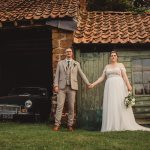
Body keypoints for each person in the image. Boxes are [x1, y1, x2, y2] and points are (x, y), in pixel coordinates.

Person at [89, 50, 150, 132]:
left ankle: (121, 124)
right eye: (112, 55)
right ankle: (112, 125)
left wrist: (128, 85)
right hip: (109, 87)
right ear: (110, 57)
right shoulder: (107, 66)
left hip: (119, 86)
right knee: (111, 104)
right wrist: (93, 84)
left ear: (117, 57)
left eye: (114, 55)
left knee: (119, 103)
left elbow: (124, 76)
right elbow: (102, 77)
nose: (113, 57)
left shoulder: (120, 65)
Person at [53, 47, 91, 131]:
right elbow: (57, 75)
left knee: (71, 107)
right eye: (67, 52)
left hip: (72, 88)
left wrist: (88, 83)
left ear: (72, 53)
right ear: (65, 53)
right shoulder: (60, 63)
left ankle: (70, 125)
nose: (68, 53)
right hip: (61, 87)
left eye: (70, 51)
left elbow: (82, 74)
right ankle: (57, 124)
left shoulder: (76, 63)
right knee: (59, 106)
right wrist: (56, 85)